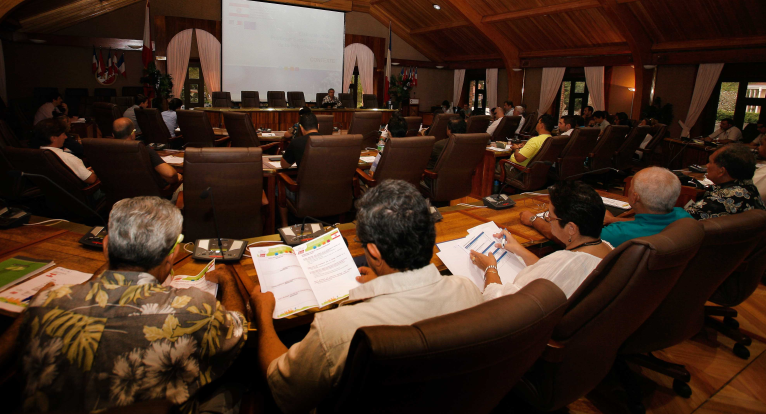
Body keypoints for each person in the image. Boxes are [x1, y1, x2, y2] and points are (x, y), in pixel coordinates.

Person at [250, 180, 482, 414]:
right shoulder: (468, 290)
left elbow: (282, 387)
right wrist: (383, 277)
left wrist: (263, 317)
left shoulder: (334, 330)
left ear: (374, 252)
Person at [13, 196, 248, 412]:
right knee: (239, 382)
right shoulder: (194, 307)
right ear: (172, 255)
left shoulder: (45, 302)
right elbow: (238, 328)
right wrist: (227, 279)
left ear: (106, 247)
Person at [470, 181, 611, 300]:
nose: (548, 219)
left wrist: (490, 268)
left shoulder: (567, 262)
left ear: (571, 229)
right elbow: (550, 270)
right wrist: (519, 249)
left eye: (550, 216)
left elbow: (502, 302)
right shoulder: (607, 248)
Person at [519, 167, 691, 248]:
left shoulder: (617, 234)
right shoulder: (685, 219)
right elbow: (650, 222)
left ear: (635, 197)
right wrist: (614, 219)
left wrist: (533, 220)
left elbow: (568, 236)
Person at [684, 144, 765, 219]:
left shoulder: (718, 201)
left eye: (710, 162)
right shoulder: (751, 189)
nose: (707, 165)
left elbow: (681, 222)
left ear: (721, 171)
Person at [113, 117, 182, 187]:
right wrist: (178, 177)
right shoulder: (143, 151)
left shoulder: (105, 152)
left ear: (113, 135)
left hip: (118, 195)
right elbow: (170, 175)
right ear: (132, 134)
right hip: (150, 196)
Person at [34, 118, 97, 185]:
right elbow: (91, 179)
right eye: (63, 134)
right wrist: (96, 170)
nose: (66, 137)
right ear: (53, 138)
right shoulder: (67, 157)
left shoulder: (35, 155)